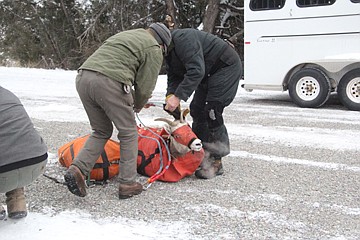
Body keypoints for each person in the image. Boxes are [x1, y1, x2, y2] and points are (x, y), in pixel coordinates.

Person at [64, 23, 172, 199]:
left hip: (84, 77)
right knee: (128, 132)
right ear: (162, 44)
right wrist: (137, 104)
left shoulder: (128, 35)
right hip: (109, 82)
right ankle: (128, 183)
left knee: (101, 131)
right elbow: (145, 87)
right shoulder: (154, 47)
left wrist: (131, 99)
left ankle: (78, 169)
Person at [164, 28, 242, 179]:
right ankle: (199, 153)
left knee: (212, 111)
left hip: (225, 66)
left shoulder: (184, 39)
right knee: (197, 109)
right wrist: (171, 95)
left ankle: (216, 159)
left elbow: (196, 70)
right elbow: (174, 75)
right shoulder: (168, 51)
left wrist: (179, 96)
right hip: (208, 73)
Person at [0, 86, 48, 220]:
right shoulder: (8, 94)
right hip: (36, 162)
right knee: (11, 145)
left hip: (4, 171)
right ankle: (17, 202)